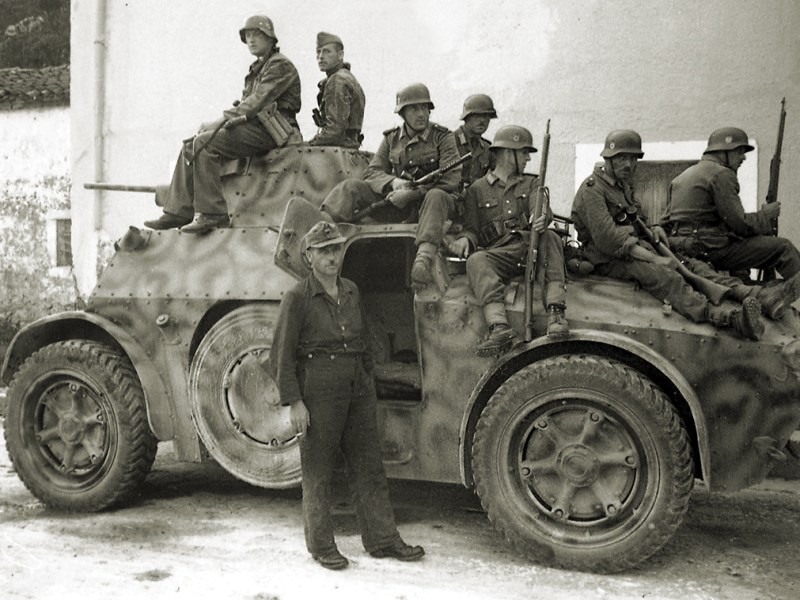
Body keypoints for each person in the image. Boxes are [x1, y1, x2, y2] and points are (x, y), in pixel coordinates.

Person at [269, 220, 425, 571]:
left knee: (369, 467)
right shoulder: (297, 297)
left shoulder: (351, 289)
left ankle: (382, 539)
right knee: (319, 472)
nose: (332, 257)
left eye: (337, 249)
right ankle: (322, 546)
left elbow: (364, 339)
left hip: (357, 388)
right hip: (318, 390)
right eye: (324, 251)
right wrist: (295, 402)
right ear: (309, 256)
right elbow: (281, 354)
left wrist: (368, 377)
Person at [571, 130, 772, 340]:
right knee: (665, 276)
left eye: (633, 158)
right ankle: (723, 316)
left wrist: (654, 227)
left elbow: (637, 217)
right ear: (608, 158)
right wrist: (656, 258)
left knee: (691, 264)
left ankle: (750, 295)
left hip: (635, 248)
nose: (629, 164)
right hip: (605, 258)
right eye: (622, 158)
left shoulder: (622, 187)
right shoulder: (592, 189)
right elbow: (609, 240)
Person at [144, 15, 302, 234]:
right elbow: (247, 105)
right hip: (257, 127)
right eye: (247, 36)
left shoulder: (279, 65)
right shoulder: (260, 67)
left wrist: (218, 122)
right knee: (191, 145)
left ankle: (214, 213)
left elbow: (254, 104)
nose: (251, 40)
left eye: (257, 35)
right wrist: (221, 124)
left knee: (206, 144)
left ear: (270, 38)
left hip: (274, 131)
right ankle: (177, 211)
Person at [321, 83, 460, 285]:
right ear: (402, 113)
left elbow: (451, 180)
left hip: (433, 208)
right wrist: (394, 183)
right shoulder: (392, 139)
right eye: (414, 109)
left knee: (436, 195)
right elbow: (372, 172)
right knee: (350, 187)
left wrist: (412, 194)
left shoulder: (444, 137)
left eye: (424, 108)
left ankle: (423, 259)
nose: (421, 114)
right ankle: (320, 233)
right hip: (398, 206)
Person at [449, 125, 569, 356]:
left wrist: (540, 215)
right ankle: (499, 327)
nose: (527, 158)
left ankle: (556, 312)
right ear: (507, 153)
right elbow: (473, 229)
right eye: (523, 152)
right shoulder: (477, 189)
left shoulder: (532, 183)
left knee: (551, 238)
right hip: (501, 254)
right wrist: (466, 239)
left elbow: (540, 203)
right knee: (476, 260)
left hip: (530, 245)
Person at [661, 127, 800, 278]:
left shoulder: (681, 177)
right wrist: (765, 215)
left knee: (743, 263)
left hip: (688, 248)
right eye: (739, 151)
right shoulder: (722, 174)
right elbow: (740, 224)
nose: (743, 157)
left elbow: (665, 222)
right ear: (723, 152)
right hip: (712, 248)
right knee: (783, 248)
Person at [307, 32, 365, 148]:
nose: (321, 56)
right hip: (348, 148)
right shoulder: (346, 77)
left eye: (327, 51)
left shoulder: (337, 80)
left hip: (339, 149)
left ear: (340, 55)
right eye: (318, 51)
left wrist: (308, 144)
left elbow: (334, 131)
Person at [451, 94, 497, 192]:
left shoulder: (487, 148)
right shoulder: (449, 142)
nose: (482, 120)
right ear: (467, 117)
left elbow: (499, 174)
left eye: (486, 116)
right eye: (477, 116)